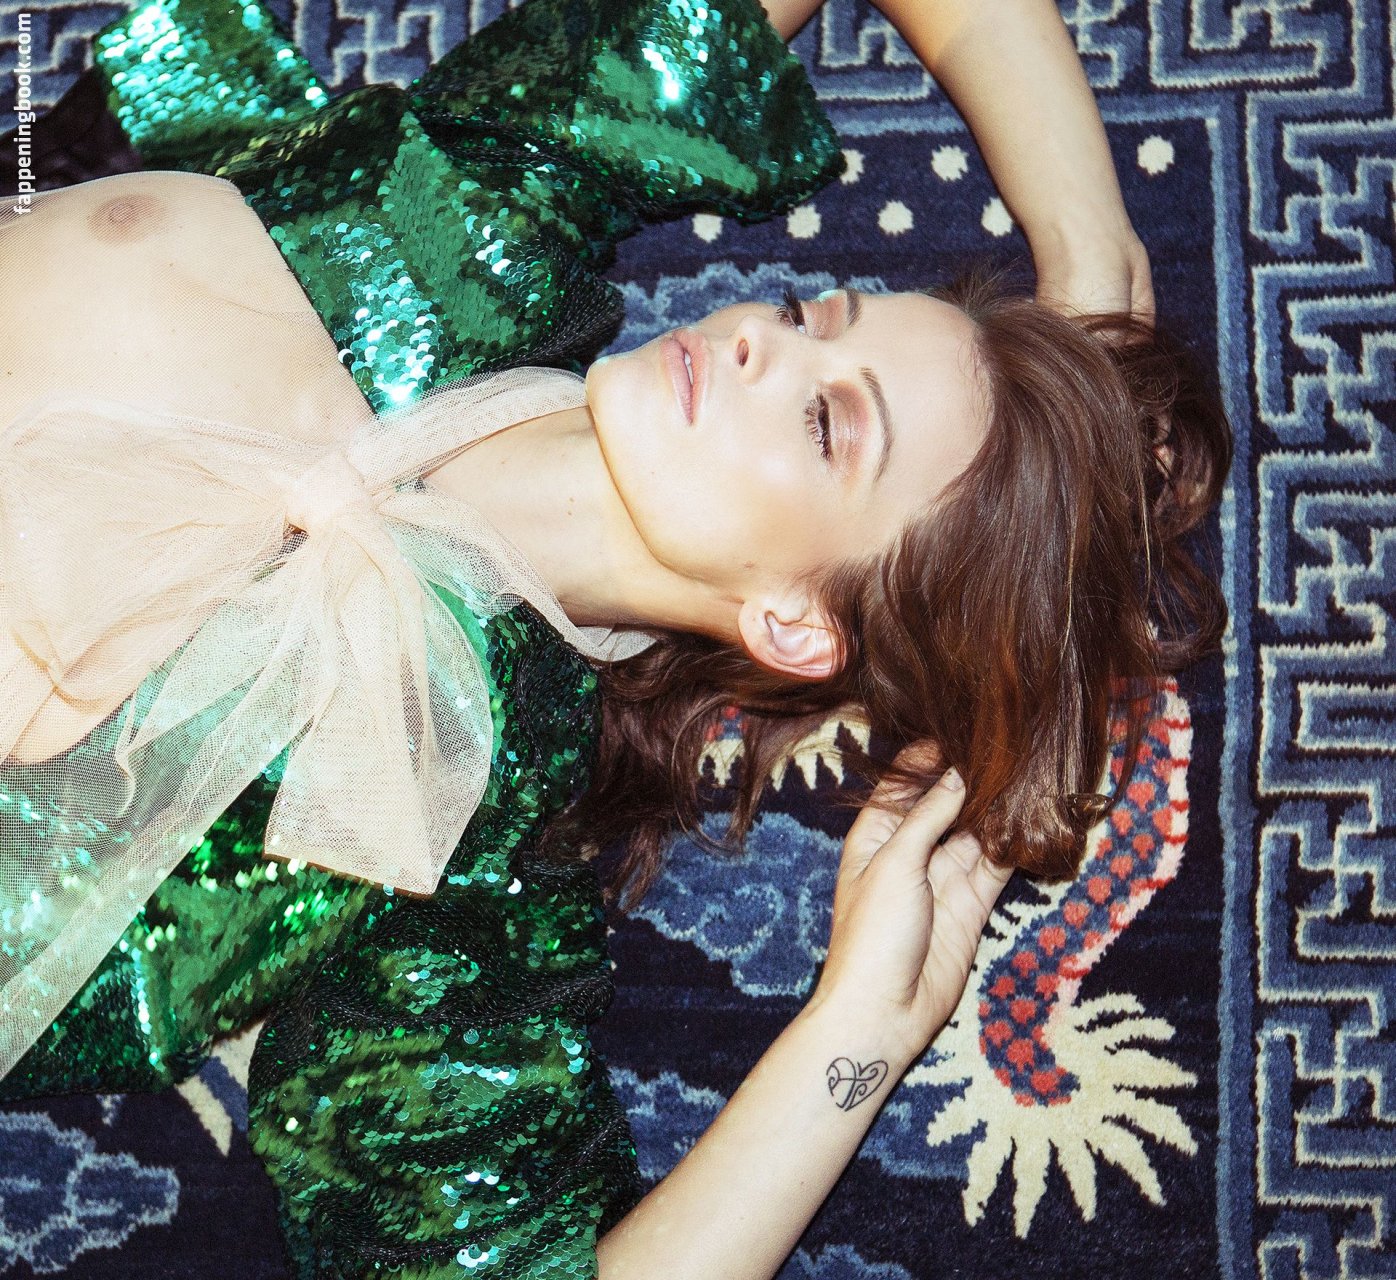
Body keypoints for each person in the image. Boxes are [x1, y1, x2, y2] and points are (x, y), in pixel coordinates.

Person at [0, 0, 1230, 1276]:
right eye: (807, 316)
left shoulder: (452, 852)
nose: (754, 336)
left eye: (826, 424)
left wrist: (860, 1028)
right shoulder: (475, 226)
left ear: (793, 620)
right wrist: (1094, 262)